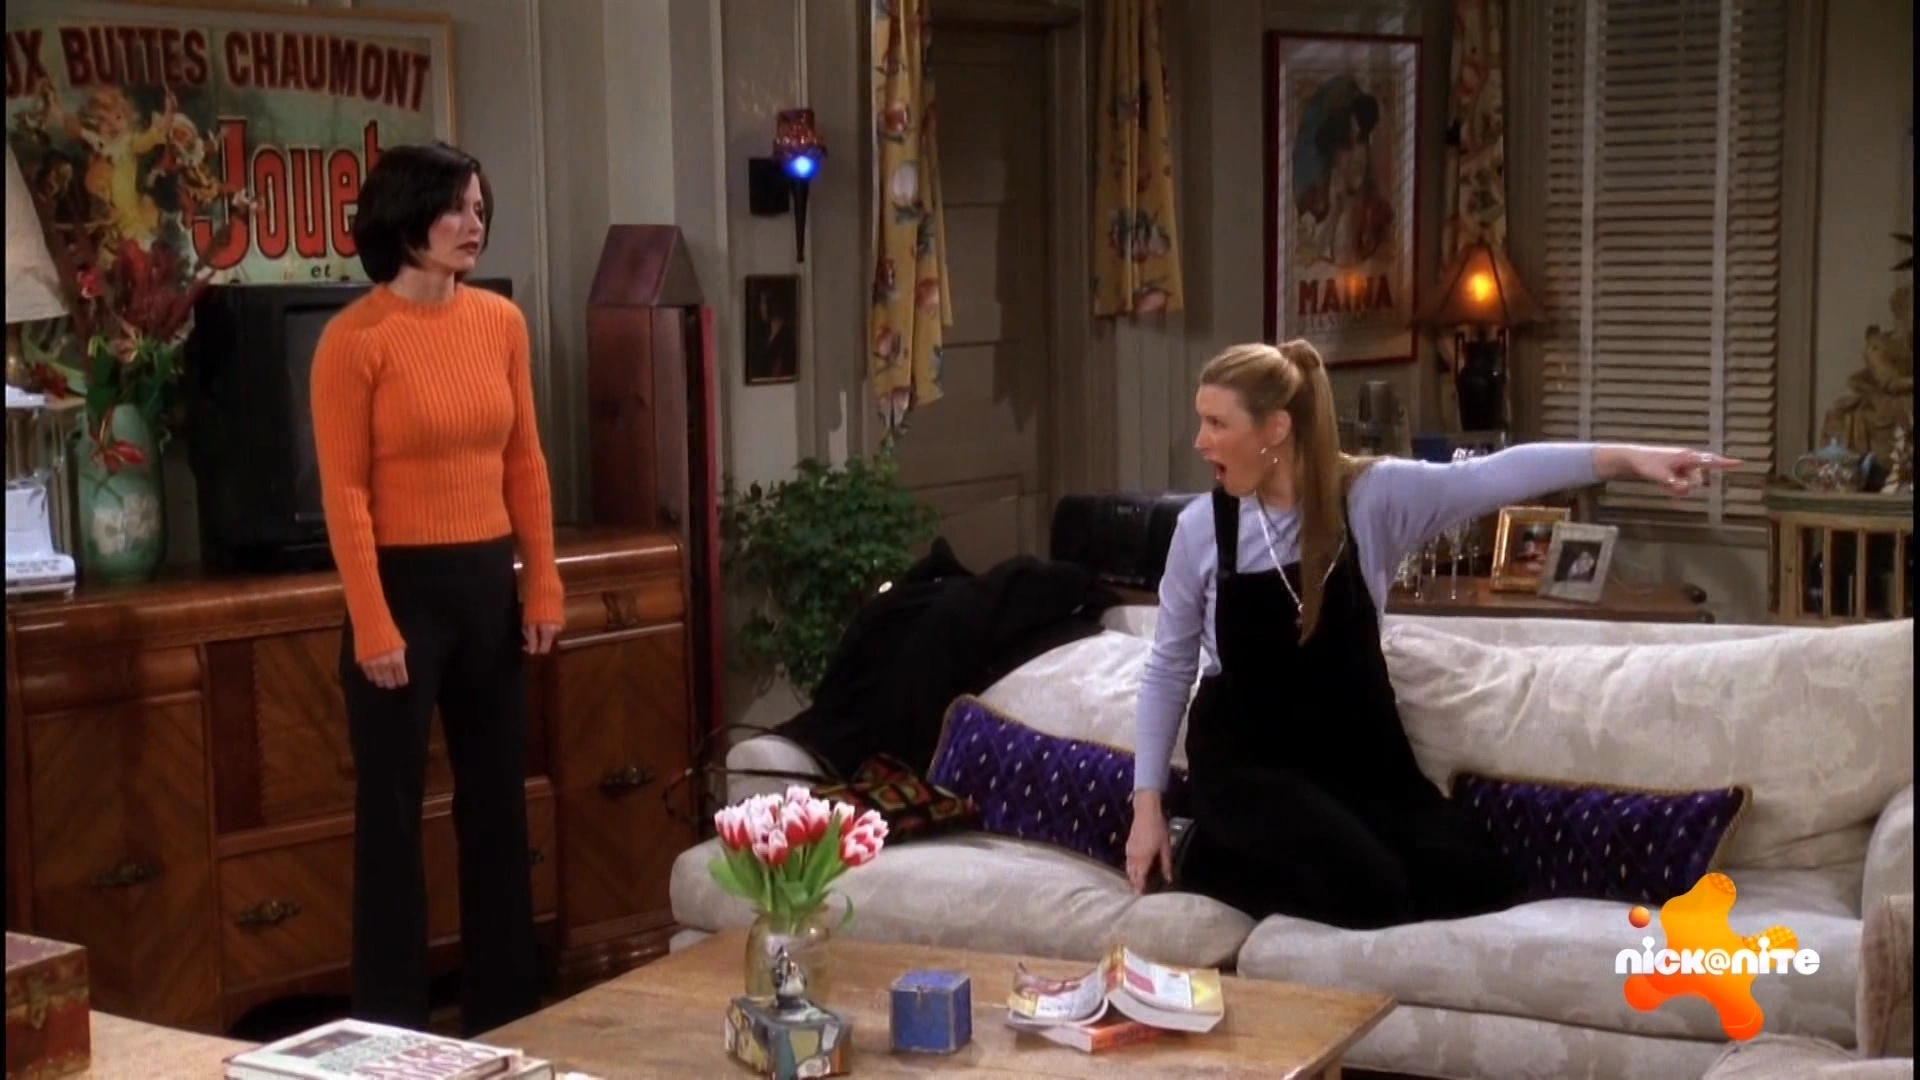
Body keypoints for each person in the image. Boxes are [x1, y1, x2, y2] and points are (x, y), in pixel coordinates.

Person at [1124, 340, 1738, 929]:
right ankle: (1201, 849)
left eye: (1216, 423)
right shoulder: (1201, 529)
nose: (1201, 441)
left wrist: (1627, 459)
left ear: (1276, 428)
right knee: (1371, 891)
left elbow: (1495, 475)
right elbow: (1169, 668)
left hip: (1355, 758)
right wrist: (1146, 804)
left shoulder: (1369, 498)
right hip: (1250, 768)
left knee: (1477, 881)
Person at [310, 141, 564, 1034]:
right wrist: (374, 624)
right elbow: (344, 495)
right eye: (456, 207)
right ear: (407, 218)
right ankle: (389, 1028)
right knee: (390, 818)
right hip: (399, 594)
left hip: (488, 584)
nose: (473, 223)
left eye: (480, 207)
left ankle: (506, 1014)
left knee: (497, 805)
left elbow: (526, 462)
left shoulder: (501, 324)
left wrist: (542, 586)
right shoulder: (354, 342)